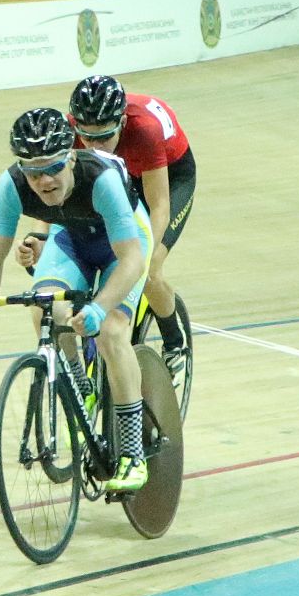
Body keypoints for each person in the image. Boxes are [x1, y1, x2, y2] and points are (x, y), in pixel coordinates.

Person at [0, 105, 155, 493]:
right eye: (33, 171)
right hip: (72, 241)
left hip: (125, 243)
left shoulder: (101, 180)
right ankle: (80, 390)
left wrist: (100, 308)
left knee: (112, 331)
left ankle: (133, 452)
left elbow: (132, 259)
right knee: (44, 304)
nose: (44, 180)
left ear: (70, 157)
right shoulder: (11, 185)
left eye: (52, 167)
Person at [67, 72, 194, 385]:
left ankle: (175, 343)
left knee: (148, 270)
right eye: (87, 137)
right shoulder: (70, 130)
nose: (94, 145)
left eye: (103, 136)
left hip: (167, 177)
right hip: (115, 177)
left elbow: (160, 204)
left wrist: (144, 253)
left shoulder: (145, 131)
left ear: (122, 122)